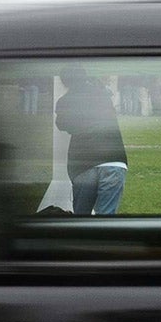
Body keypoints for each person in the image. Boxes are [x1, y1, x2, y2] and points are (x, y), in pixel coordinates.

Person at [55, 68, 127, 216]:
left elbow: (62, 124)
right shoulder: (103, 94)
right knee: (105, 217)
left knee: (81, 218)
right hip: (113, 159)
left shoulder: (65, 100)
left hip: (83, 162)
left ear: (64, 81)